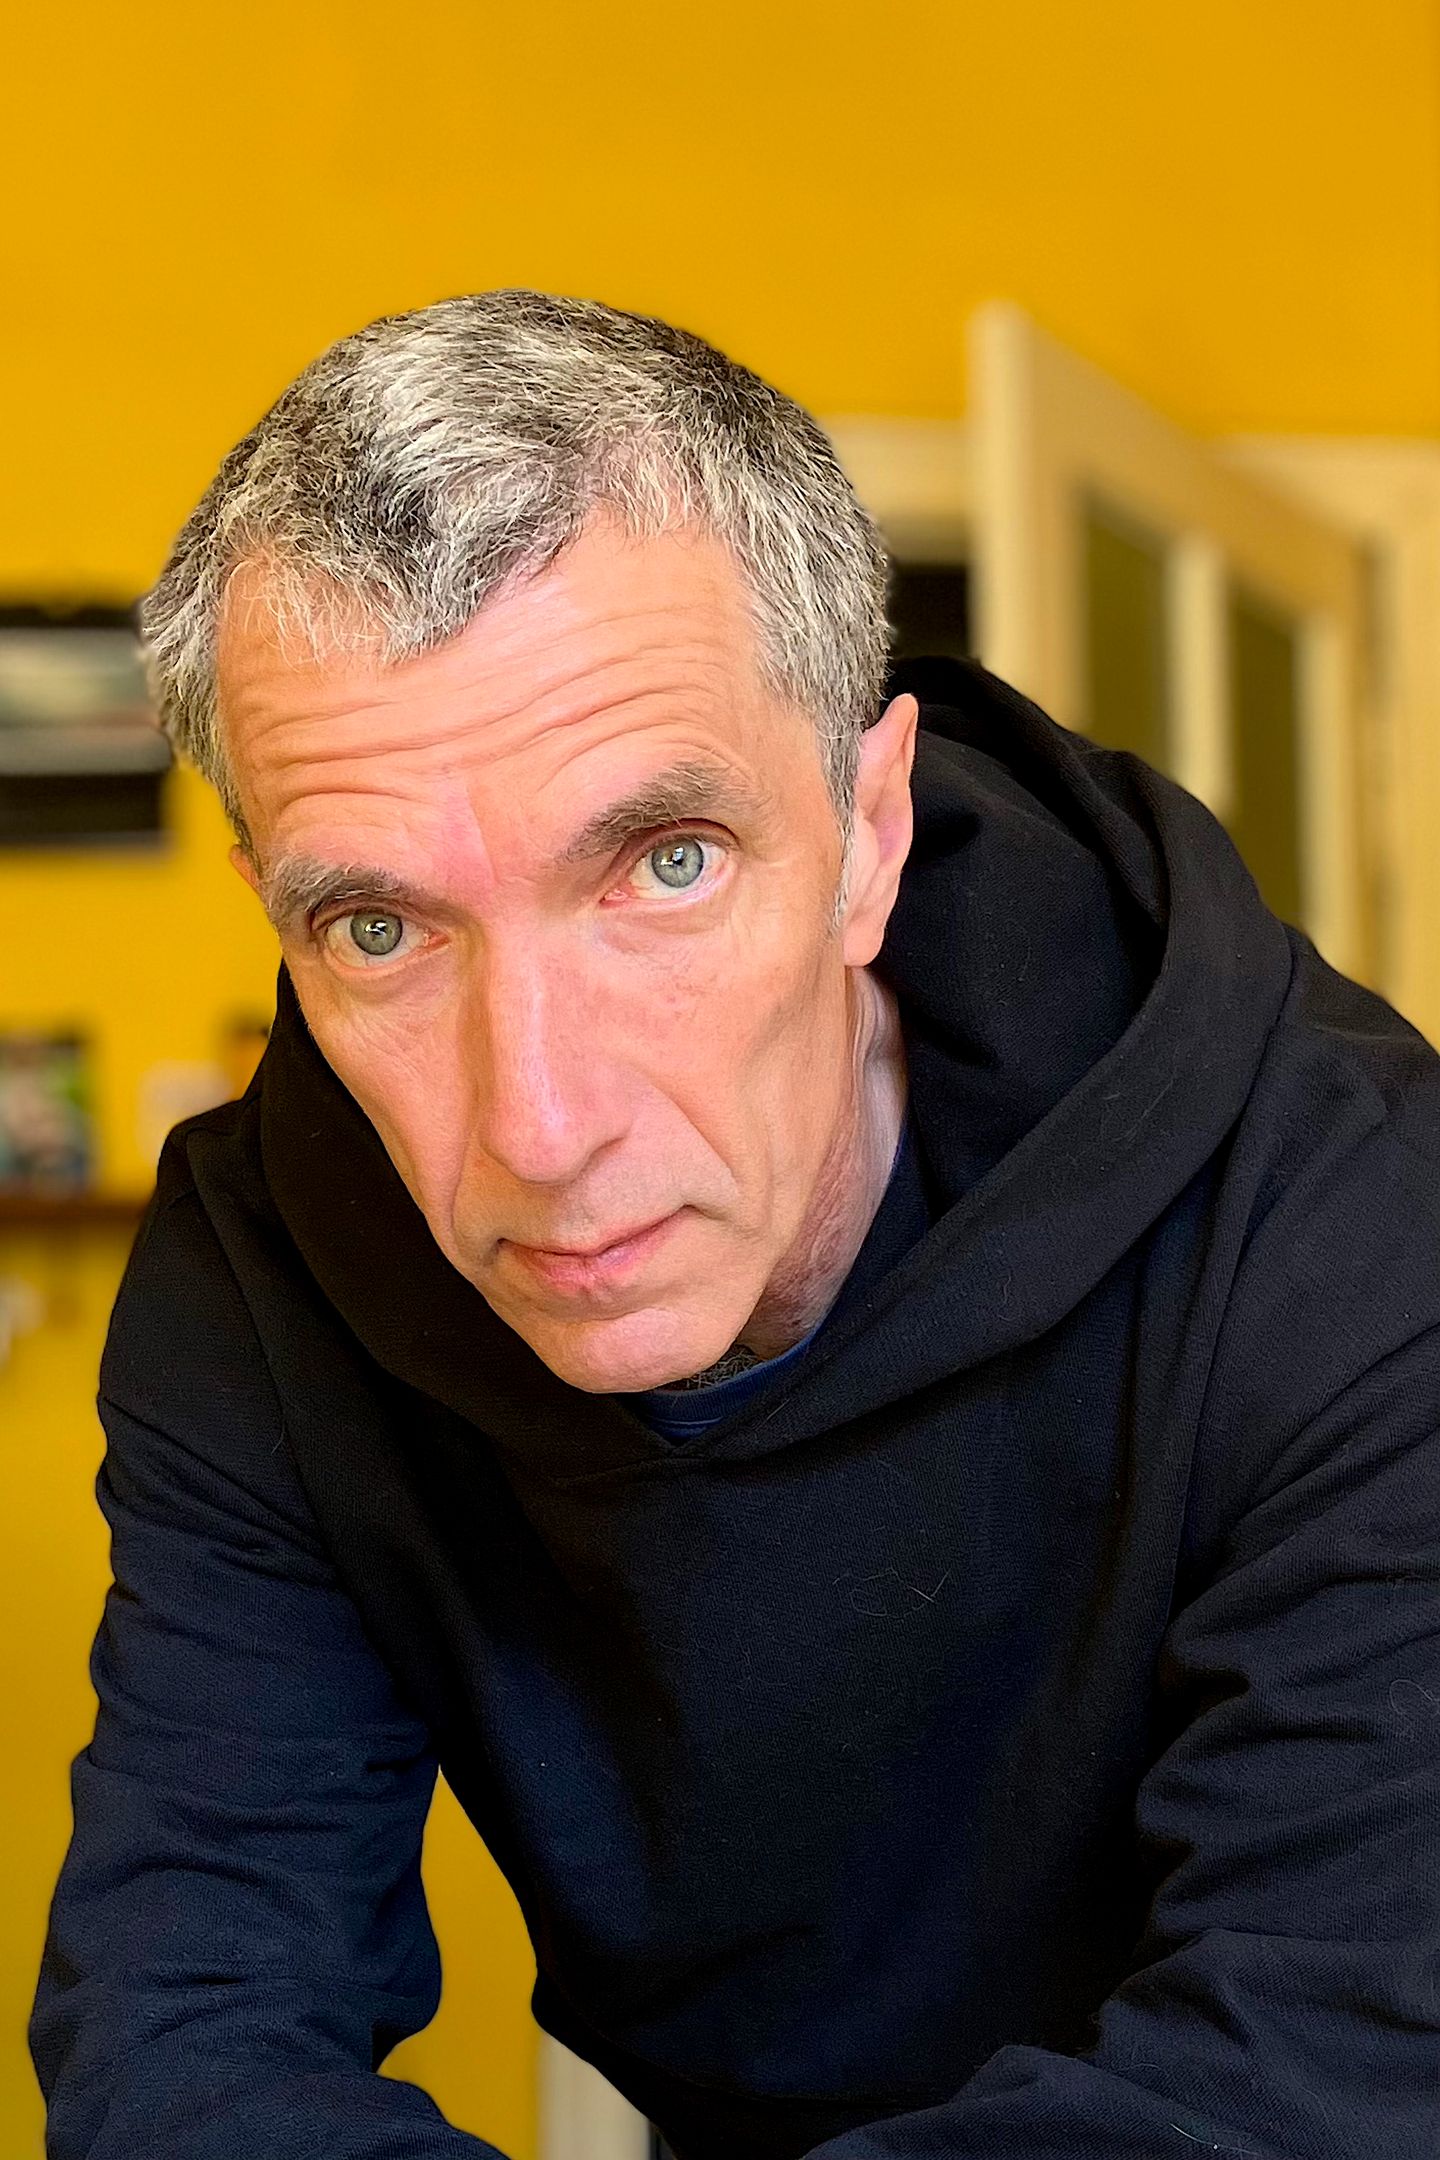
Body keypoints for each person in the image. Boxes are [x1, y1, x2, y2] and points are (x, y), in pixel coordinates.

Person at [29, 291, 1440, 2160]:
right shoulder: (260, 1276)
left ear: (870, 834)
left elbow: (1333, 2068)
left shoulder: (1355, 1218)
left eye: (665, 864)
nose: (540, 1129)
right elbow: (184, 2035)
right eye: (377, 928)